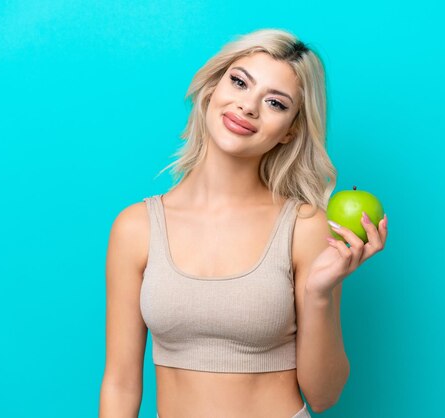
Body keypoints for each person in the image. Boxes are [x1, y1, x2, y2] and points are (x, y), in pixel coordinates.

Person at [99, 28, 388, 418]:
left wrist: (320, 294)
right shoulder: (136, 228)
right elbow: (120, 383)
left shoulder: (305, 227)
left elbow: (323, 396)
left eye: (275, 102)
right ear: (211, 89)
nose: (248, 107)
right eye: (239, 82)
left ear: (291, 131)